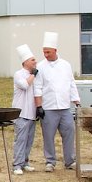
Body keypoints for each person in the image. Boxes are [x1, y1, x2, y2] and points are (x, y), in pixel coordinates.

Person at [33, 32, 80, 172]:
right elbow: (38, 87)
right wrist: (39, 106)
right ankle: (50, 161)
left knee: (69, 133)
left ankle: (70, 160)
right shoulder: (40, 67)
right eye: (44, 52)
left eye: (48, 52)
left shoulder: (66, 65)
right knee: (48, 135)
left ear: (55, 51)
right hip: (49, 107)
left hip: (65, 107)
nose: (46, 55)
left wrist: (76, 100)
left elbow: (71, 83)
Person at [12, 44, 39, 175]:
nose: (35, 62)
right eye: (33, 60)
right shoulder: (19, 74)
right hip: (21, 113)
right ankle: (17, 164)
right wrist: (33, 75)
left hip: (32, 112)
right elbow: (24, 85)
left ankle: (25, 162)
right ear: (26, 62)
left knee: (29, 139)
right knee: (20, 139)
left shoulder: (34, 75)